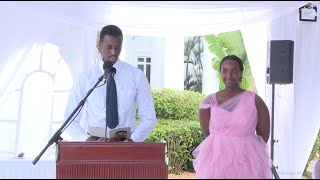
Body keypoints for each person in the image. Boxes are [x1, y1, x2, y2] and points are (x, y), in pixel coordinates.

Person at [63, 25, 157, 142]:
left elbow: (149, 118)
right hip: (94, 145)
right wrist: (87, 140)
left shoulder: (137, 76)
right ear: (100, 44)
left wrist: (133, 140)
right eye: (109, 47)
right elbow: (70, 119)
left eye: (118, 48)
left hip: (126, 144)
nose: (113, 52)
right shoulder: (85, 78)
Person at [193, 55, 272, 178]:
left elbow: (263, 136)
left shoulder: (255, 100)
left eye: (234, 71)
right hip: (216, 162)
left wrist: (247, 152)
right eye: (224, 71)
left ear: (241, 73)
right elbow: (207, 134)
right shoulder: (209, 102)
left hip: (246, 162)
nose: (229, 75)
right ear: (220, 73)